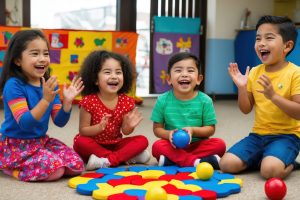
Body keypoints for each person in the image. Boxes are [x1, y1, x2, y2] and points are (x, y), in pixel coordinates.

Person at [220, 15, 300, 179]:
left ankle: (289, 163)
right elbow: (245, 109)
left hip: (287, 136)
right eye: (258, 39)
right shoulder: (255, 72)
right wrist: (242, 88)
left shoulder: (295, 73)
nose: (261, 43)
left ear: (287, 46)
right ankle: (267, 158)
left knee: (269, 171)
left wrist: (273, 96)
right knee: (226, 164)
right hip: (257, 136)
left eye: (269, 38)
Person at [0, 29, 85, 182]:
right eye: (35, 54)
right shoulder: (13, 86)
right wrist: (45, 100)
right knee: (56, 171)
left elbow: (59, 122)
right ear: (18, 60)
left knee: (76, 164)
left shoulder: (48, 84)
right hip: (16, 145)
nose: (42, 59)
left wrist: (67, 103)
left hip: (40, 141)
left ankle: (33, 162)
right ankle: (10, 168)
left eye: (45, 54)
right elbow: (26, 123)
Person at [73, 50, 150, 170]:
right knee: (80, 142)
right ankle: (124, 158)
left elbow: (125, 131)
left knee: (143, 140)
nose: (114, 76)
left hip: (116, 145)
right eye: (107, 72)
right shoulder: (88, 101)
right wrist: (98, 128)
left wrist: (130, 126)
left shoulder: (127, 101)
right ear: (95, 79)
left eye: (118, 72)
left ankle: (107, 161)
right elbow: (83, 131)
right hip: (94, 145)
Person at [151, 52, 226, 168]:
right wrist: (168, 133)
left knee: (219, 144)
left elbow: (210, 129)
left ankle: (174, 160)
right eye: (178, 70)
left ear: (199, 79)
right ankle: (197, 162)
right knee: (157, 146)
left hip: (197, 144)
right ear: (169, 79)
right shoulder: (162, 100)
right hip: (173, 145)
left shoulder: (205, 101)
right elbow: (157, 129)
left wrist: (193, 130)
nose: (184, 74)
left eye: (190, 71)